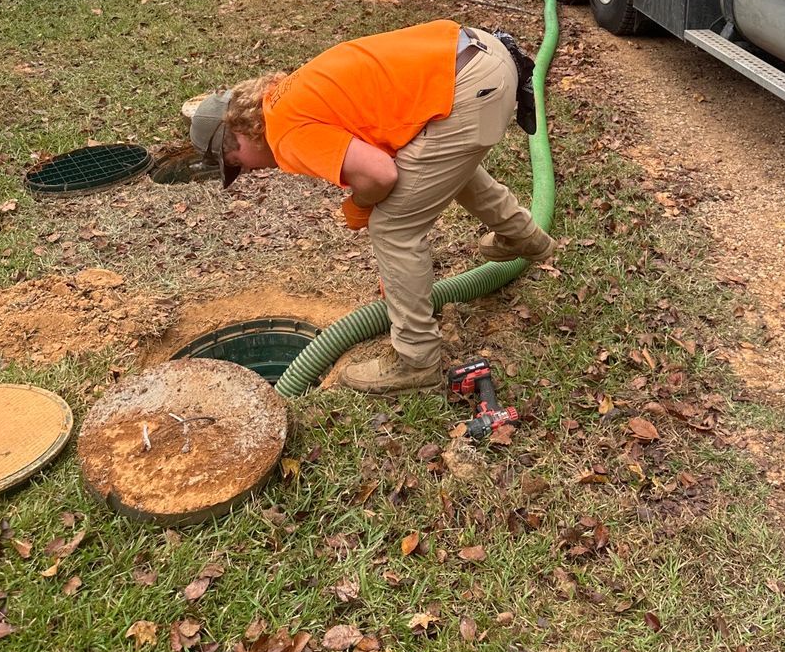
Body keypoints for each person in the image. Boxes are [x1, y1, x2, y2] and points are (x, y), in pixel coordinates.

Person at [188, 21, 556, 394]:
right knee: (443, 167)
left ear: (237, 132)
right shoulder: (286, 96)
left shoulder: (284, 132)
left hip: (468, 87)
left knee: (393, 228)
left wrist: (362, 205)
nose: (246, 170)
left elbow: (379, 176)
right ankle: (526, 239)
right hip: (483, 55)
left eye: (235, 161)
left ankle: (417, 361)